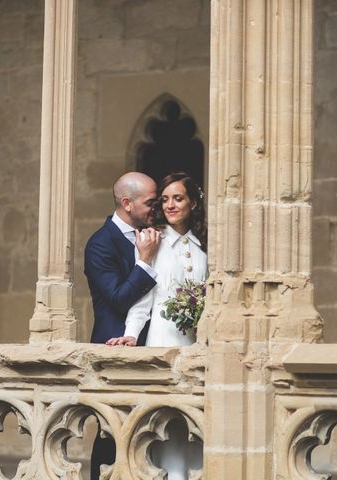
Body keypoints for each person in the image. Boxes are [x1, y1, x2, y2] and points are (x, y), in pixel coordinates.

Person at [106, 172, 207, 479]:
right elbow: (143, 299)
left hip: (193, 342)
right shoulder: (154, 240)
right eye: (164, 199)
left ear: (192, 202)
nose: (170, 205)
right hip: (163, 339)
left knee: (194, 424)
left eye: (178, 198)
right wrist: (130, 334)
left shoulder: (201, 247)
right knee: (167, 422)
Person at [84, 171, 162, 480]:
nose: (155, 208)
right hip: (115, 347)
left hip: (152, 345)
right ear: (127, 203)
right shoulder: (100, 244)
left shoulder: (152, 235)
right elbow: (117, 299)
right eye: (150, 202)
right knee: (111, 439)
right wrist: (144, 260)